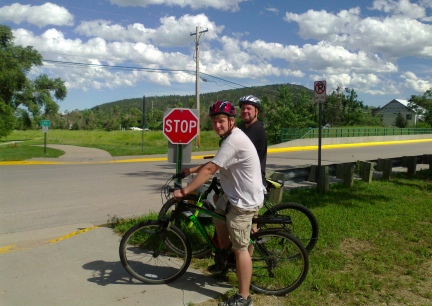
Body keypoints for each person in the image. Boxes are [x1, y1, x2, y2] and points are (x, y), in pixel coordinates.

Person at [174, 100, 264, 306]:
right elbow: (214, 162)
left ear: (231, 121)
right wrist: (191, 171)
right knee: (218, 218)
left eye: (221, 121)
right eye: (214, 122)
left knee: (240, 248)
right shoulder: (230, 138)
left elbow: (211, 169)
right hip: (232, 196)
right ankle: (224, 255)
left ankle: (244, 297)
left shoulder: (234, 140)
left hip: (243, 201)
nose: (217, 125)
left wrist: (185, 190)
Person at [238, 95, 267, 186]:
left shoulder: (257, 129)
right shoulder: (243, 128)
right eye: (243, 108)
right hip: (243, 176)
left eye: (248, 108)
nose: (245, 111)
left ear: (256, 111)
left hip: (252, 180)